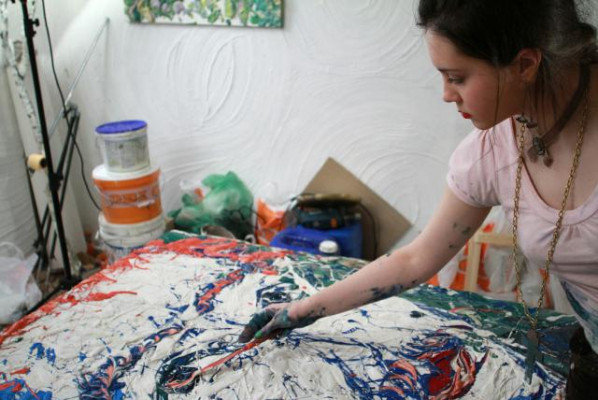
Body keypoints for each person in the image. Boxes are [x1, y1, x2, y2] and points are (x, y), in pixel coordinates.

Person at [239, 0, 598, 397]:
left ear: (525, 65)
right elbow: (416, 258)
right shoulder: (492, 152)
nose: (446, 95)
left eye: (457, 78)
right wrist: (302, 310)